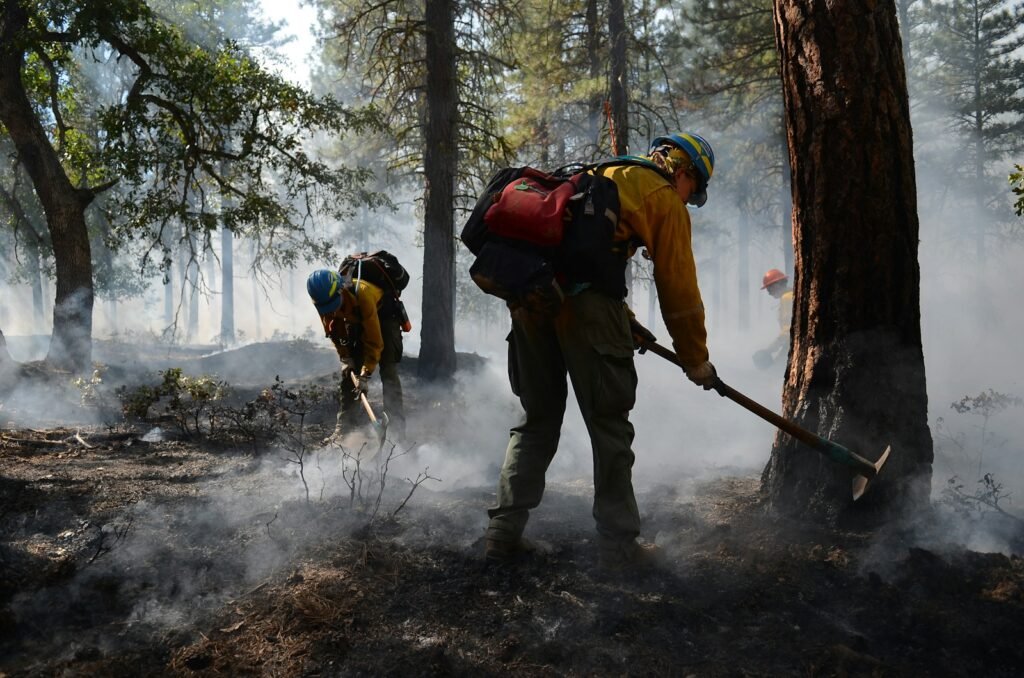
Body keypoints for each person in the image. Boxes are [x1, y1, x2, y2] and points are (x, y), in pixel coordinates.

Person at [484, 132, 718, 570]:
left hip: (533, 300)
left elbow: (586, 256)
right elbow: (679, 288)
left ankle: (502, 534)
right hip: (586, 310)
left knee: (536, 422)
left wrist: (623, 322)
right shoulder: (661, 195)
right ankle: (619, 548)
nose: (690, 199)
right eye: (695, 190)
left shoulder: (600, 173)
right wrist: (695, 358)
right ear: (684, 171)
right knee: (609, 428)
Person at [306, 265, 406, 442]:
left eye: (333, 306)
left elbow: (375, 342)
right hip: (355, 318)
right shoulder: (323, 302)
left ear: (341, 290)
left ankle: (397, 432)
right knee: (348, 377)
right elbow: (335, 333)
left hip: (384, 317)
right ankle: (343, 429)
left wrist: (365, 374)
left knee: (388, 372)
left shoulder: (364, 294)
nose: (332, 311)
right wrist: (346, 357)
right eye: (327, 308)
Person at [753, 268, 793, 370]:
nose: (769, 293)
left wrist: (770, 349)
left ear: (777, 284)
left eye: (769, 289)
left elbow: (788, 330)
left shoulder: (787, 298)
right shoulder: (790, 295)